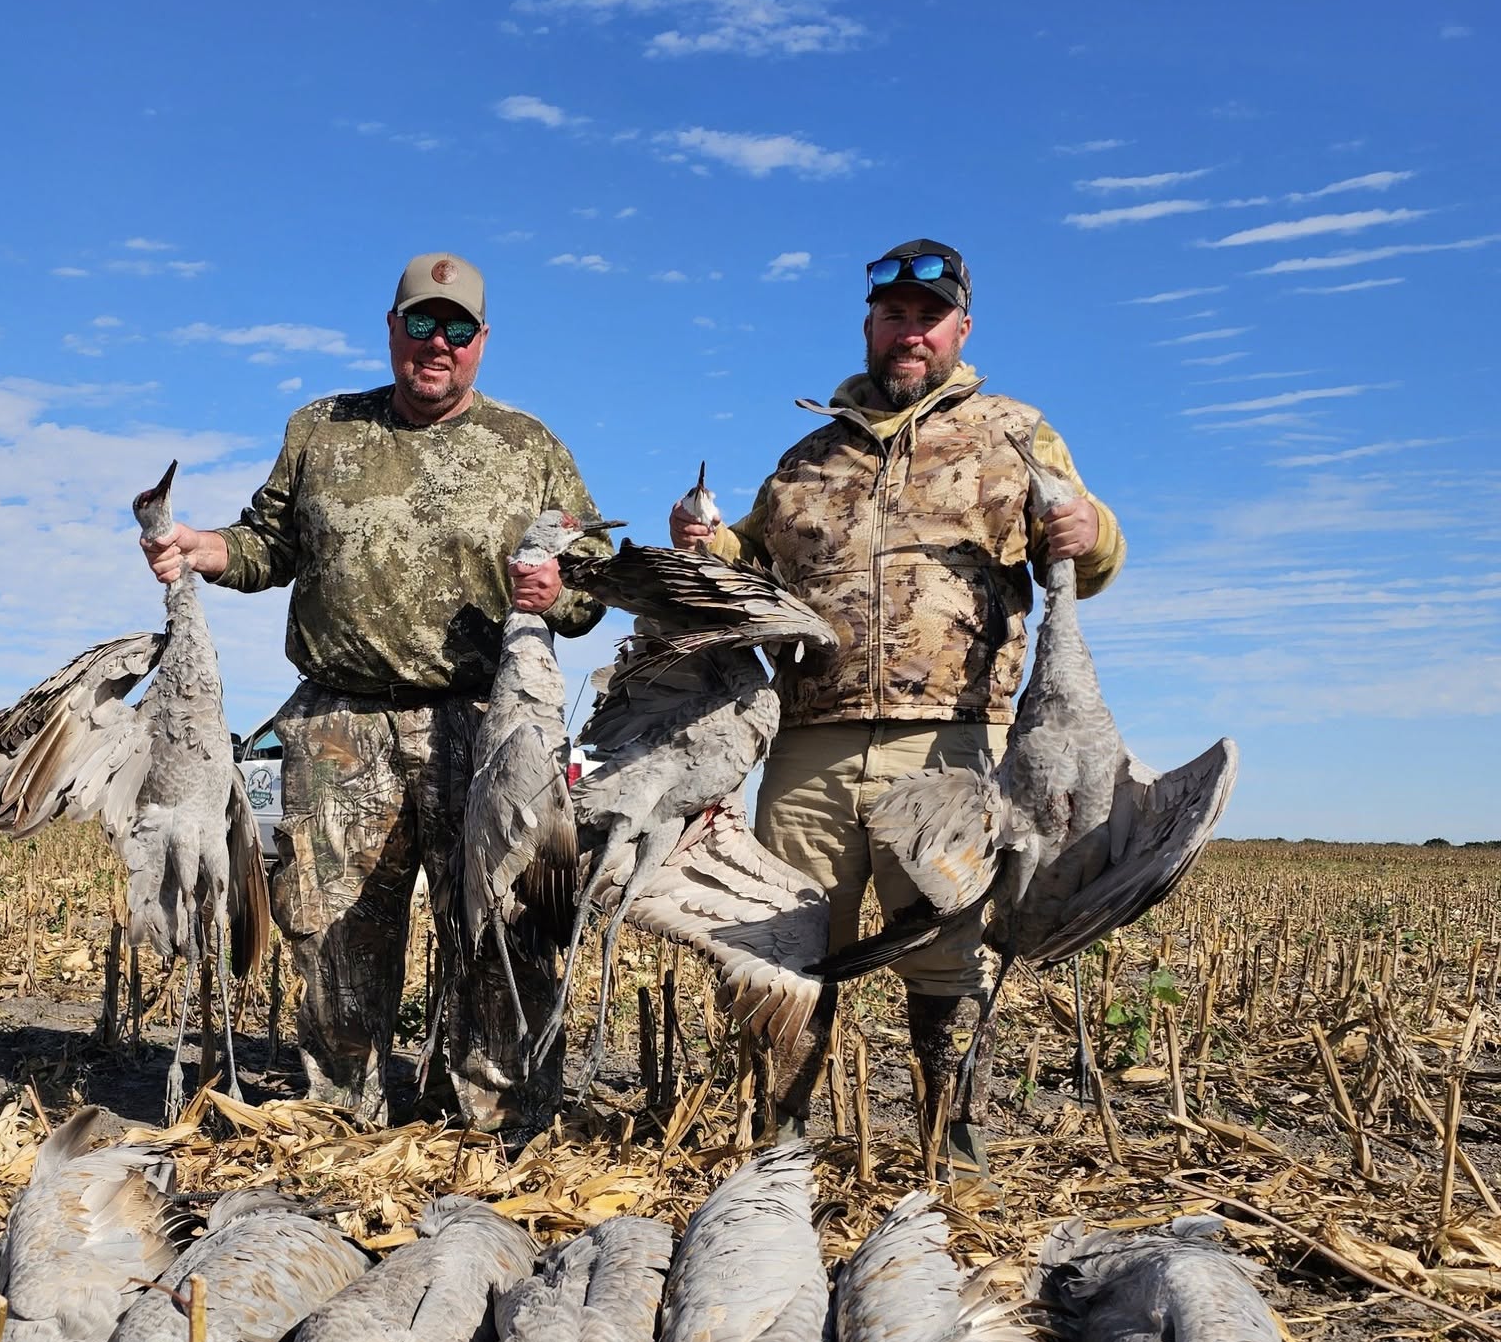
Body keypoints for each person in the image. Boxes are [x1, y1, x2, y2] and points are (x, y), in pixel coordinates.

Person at [668, 238, 1125, 1143]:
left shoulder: (1016, 431)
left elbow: (1087, 547)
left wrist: (1092, 527)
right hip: (810, 739)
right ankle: (778, 1146)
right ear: (869, 324)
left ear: (961, 326)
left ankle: (947, 1152)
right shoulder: (805, 456)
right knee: (783, 950)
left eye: (929, 318)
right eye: (894, 317)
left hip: (953, 742)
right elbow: (748, 564)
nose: (910, 334)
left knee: (948, 953)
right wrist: (701, 542)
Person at [141, 251, 608, 1132]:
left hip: (484, 723)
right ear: (392, 328)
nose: (439, 344)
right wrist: (201, 548)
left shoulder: (530, 448)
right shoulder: (321, 429)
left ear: (482, 341)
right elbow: (266, 546)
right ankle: (338, 1123)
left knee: (502, 930)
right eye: (422, 324)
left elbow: (591, 584)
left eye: (458, 329)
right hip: (335, 723)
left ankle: (498, 1128)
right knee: (328, 931)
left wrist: (560, 594)